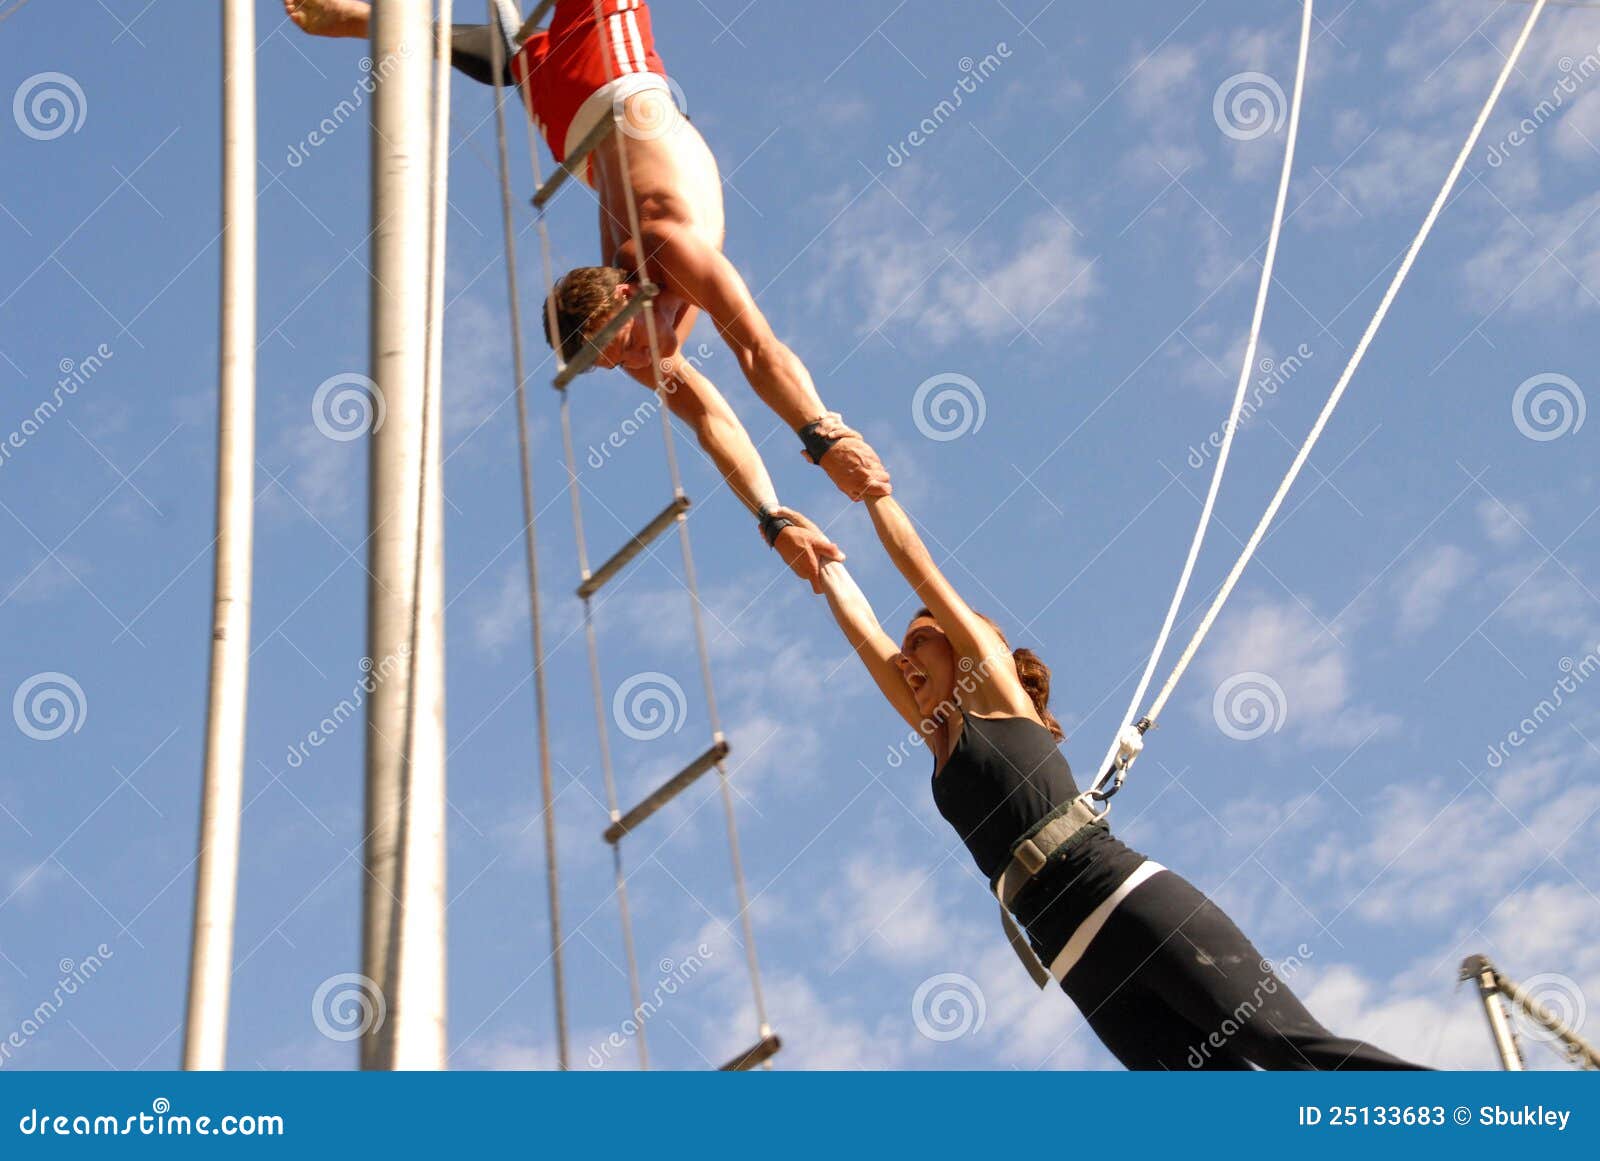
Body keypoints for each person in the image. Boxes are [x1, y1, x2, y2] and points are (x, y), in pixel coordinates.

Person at [776, 417, 1424, 1070]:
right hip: (1076, 962)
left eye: (920, 641)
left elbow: (922, 573)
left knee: (1284, 1047)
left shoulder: (995, 693)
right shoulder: (939, 741)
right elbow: (865, 635)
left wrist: (870, 492)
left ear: (974, 645)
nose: (906, 660)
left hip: (1121, 900)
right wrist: (814, 557)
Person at [285, 0, 888, 587]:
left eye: (621, 346)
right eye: (614, 361)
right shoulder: (626, 342)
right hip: (564, 124)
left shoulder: (665, 247)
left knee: (532, 53)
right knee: (517, 58)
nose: (634, 364)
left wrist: (822, 434)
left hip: (608, 73)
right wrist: (772, 517)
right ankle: (367, 18)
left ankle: (366, 17)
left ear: (629, 292)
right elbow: (710, 419)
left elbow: (757, 351)